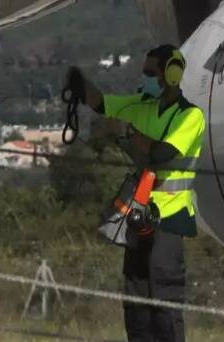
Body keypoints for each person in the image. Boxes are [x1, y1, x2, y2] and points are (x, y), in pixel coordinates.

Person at [67, 45, 204, 342]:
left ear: (171, 75)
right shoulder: (141, 105)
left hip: (168, 220)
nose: (145, 80)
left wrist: (126, 134)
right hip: (136, 217)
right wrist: (80, 84)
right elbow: (102, 103)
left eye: (150, 73)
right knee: (136, 308)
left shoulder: (190, 117)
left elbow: (162, 154)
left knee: (165, 308)